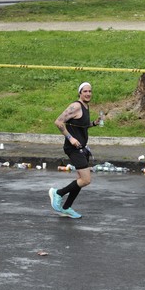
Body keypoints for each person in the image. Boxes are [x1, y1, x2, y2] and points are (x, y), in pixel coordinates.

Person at [48, 82, 102, 219]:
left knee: (80, 179)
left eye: (90, 91)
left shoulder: (85, 106)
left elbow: (81, 126)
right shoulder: (76, 106)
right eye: (85, 91)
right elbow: (58, 122)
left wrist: (94, 123)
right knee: (86, 180)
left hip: (81, 148)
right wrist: (70, 138)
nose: (88, 93)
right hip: (73, 148)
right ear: (80, 93)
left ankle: (66, 207)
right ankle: (58, 193)